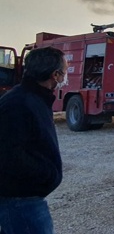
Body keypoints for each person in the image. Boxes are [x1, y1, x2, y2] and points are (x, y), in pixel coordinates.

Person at [0, 47, 67, 233]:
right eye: (65, 71)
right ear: (55, 75)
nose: (65, 76)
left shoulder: (34, 99)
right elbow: (8, 155)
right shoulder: (19, 104)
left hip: (24, 199)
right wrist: (46, 174)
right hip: (20, 200)